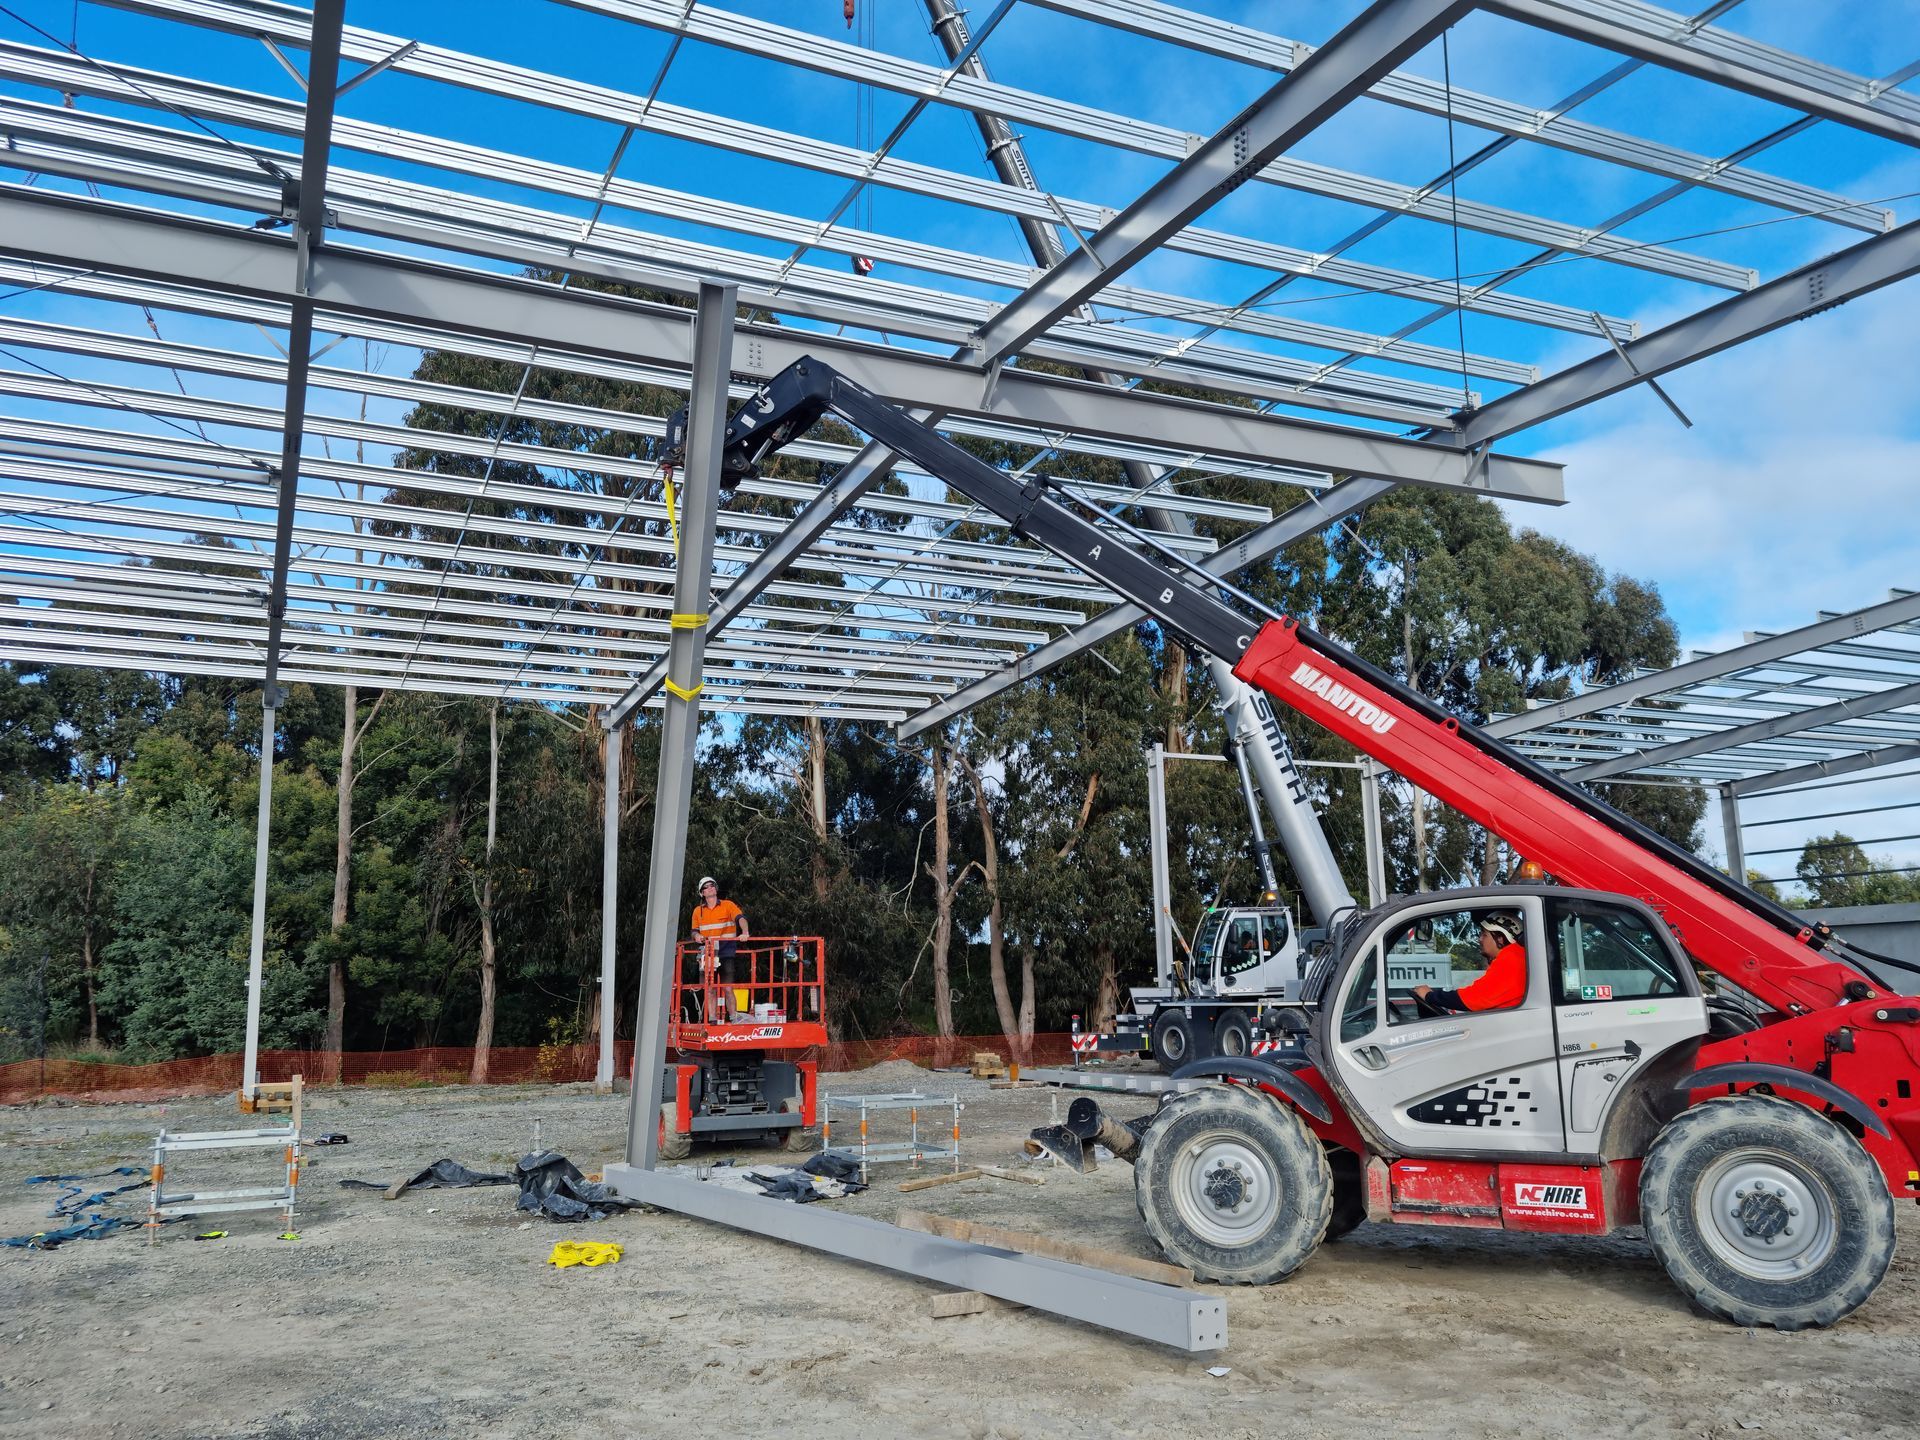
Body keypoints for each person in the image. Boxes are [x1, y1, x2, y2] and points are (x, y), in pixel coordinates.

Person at [1412, 912, 1526, 1014]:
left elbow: (1474, 998)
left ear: (1500, 938)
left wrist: (1429, 996)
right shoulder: (1515, 957)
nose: (1479, 939)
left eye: (1484, 934)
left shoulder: (1511, 959)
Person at [690, 876, 750, 1019]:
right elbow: (694, 931)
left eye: (712, 885)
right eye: (706, 887)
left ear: (716, 888)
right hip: (708, 954)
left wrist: (745, 932)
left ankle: (734, 1018)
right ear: (702, 893)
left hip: (726, 952)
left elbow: (740, 918)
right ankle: (712, 1020)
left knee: (728, 988)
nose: (710, 888)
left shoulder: (728, 905)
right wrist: (696, 936)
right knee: (710, 989)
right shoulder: (698, 911)